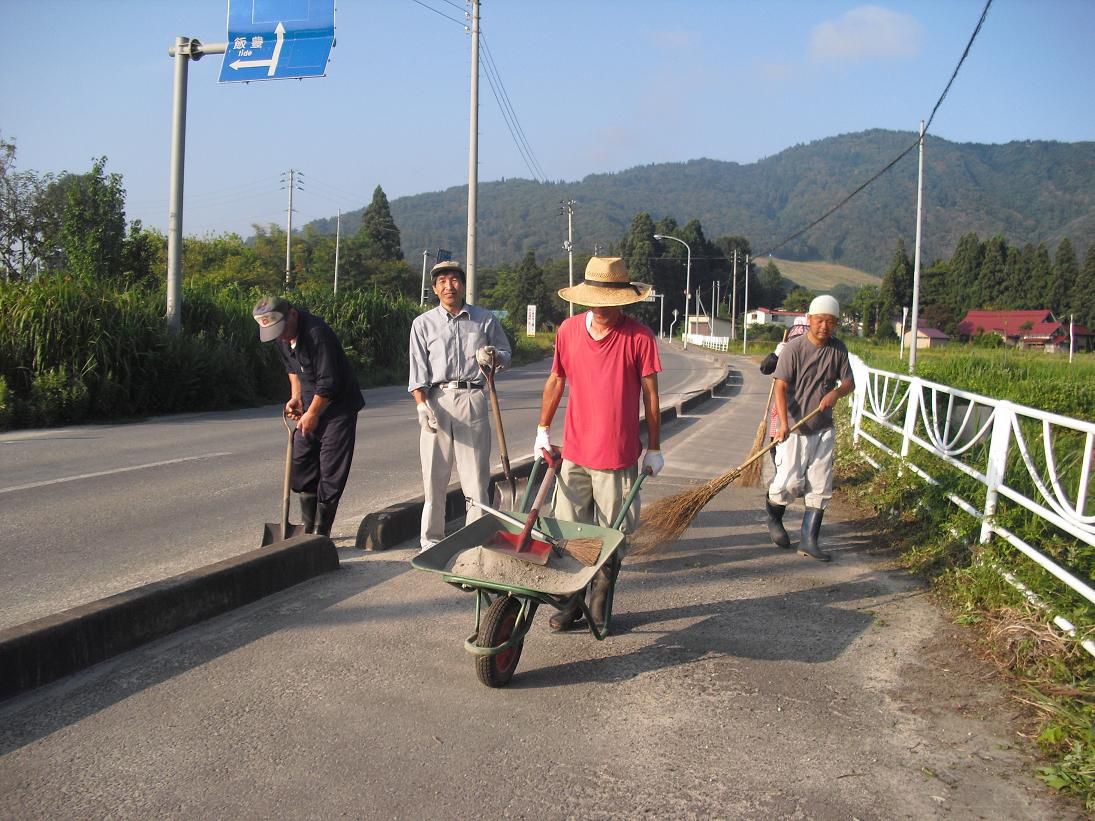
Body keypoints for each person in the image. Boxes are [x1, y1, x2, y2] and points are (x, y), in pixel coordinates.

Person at [535, 256, 663, 634]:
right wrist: (543, 427)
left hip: (617, 456)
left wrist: (654, 447)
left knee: (611, 536)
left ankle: (600, 600)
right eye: (596, 301)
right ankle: (571, 603)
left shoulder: (639, 337)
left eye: (612, 303)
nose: (603, 309)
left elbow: (651, 397)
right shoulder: (569, 331)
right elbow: (556, 379)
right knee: (569, 532)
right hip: (574, 453)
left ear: (625, 300)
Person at [408, 260, 513, 551]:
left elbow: (506, 353)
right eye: (442, 281)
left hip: (472, 396)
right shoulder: (423, 324)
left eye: (454, 280)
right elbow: (417, 371)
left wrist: (493, 356)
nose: (448, 286)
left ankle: (476, 540)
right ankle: (431, 542)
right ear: (434, 288)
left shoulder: (484, 319)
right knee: (434, 477)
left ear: (463, 285)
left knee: (476, 478)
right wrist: (421, 405)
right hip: (436, 400)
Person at [253, 295, 365, 537]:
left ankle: (321, 533)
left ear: (292, 314)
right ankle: (308, 527)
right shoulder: (281, 336)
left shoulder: (317, 334)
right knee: (302, 464)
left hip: (337, 408)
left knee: (331, 470)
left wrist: (313, 413)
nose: (280, 336)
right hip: (309, 405)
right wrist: (296, 398)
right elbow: (292, 369)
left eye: (281, 329)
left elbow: (328, 383)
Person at [764, 295, 855, 561]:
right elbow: (780, 386)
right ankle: (773, 516)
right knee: (788, 483)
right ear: (810, 319)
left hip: (822, 428)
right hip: (794, 428)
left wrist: (836, 393)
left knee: (820, 485)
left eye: (830, 322)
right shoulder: (794, 349)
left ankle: (808, 540)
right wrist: (783, 422)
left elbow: (849, 382)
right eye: (819, 320)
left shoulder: (838, 350)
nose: (824, 326)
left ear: (836, 323)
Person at [759, 316, 809, 464]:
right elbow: (765, 368)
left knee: (799, 454)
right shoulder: (785, 353)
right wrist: (775, 355)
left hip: (805, 412)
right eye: (796, 337)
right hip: (781, 410)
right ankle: (779, 480)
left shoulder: (815, 355)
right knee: (777, 449)